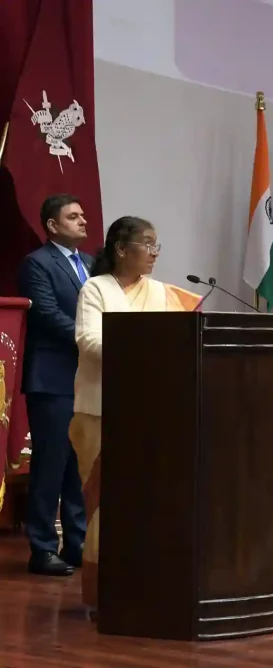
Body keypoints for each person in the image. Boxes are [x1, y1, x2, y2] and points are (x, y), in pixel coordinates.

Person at [71, 216, 197, 610]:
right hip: (99, 411)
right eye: (147, 244)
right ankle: (103, 596)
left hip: (151, 413)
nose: (155, 253)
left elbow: (183, 341)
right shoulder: (95, 289)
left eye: (157, 245)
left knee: (147, 501)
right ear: (121, 250)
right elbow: (89, 340)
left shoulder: (163, 294)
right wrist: (147, 348)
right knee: (104, 507)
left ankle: (146, 588)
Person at [17, 194, 91, 577]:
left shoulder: (92, 265)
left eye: (82, 215)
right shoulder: (37, 263)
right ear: (51, 225)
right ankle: (43, 548)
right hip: (51, 378)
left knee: (79, 465)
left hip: (85, 378)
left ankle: (77, 543)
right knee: (50, 464)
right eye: (73, 216)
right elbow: (46, 315)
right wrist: (94, 337)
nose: (82, 221)